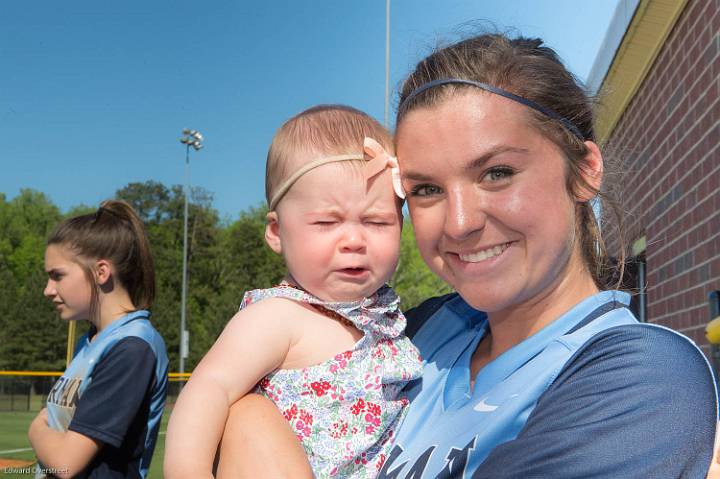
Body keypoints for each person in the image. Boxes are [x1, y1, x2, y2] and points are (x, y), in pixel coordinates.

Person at [215, 33, 718, 478]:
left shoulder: (643, 381)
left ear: (585, 170)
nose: (459, 222)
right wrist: (248, 418)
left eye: (496, 173)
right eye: (427, 188)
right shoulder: (409, 336)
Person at [164, 105, 423, 479]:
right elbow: (210, 390)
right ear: (276, 232)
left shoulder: (385, 320)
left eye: (377, 221)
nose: (353, 239)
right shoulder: (278, 317)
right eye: (326, 222)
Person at [29, 200, 169, 479]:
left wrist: (36, 429)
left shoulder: (132, 347)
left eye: (57, 276)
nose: (48, 289)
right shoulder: (92, 341)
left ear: (101, 272)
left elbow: (66, 463)